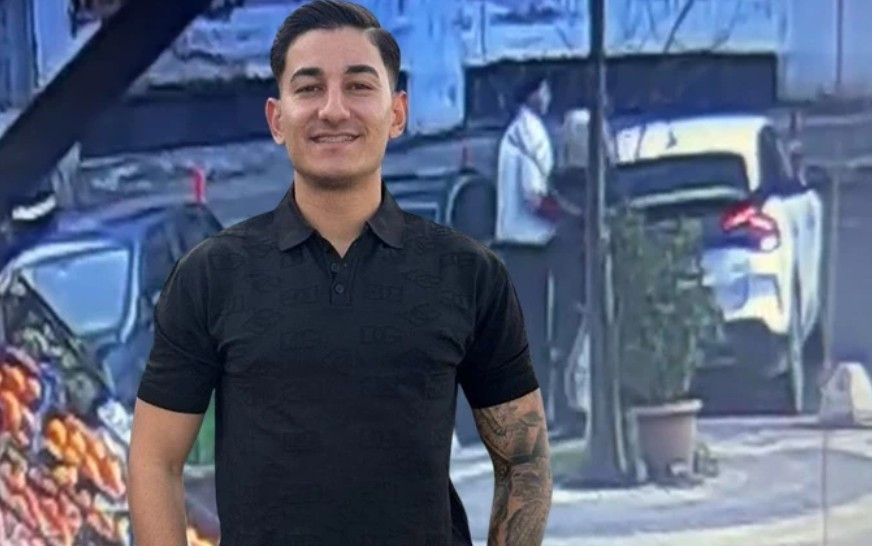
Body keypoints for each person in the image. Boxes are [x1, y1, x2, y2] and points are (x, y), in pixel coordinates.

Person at [127, 2, 552, 545]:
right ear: (276, 119)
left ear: (397, 113)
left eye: (358, 86)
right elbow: (155, 461)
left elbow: (523, 460)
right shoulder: (211, 276)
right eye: (308, 88)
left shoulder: (468, 275)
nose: (332, 110)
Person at [494, 76, 582, 436]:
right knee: (538, 333)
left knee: (526, 332)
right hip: (532, 248)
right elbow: (534, 195)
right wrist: (570, 217)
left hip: (516, 247)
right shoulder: (529, 134)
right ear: (533, 92)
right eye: (544, 89)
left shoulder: (513, 132)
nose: (548, 96)